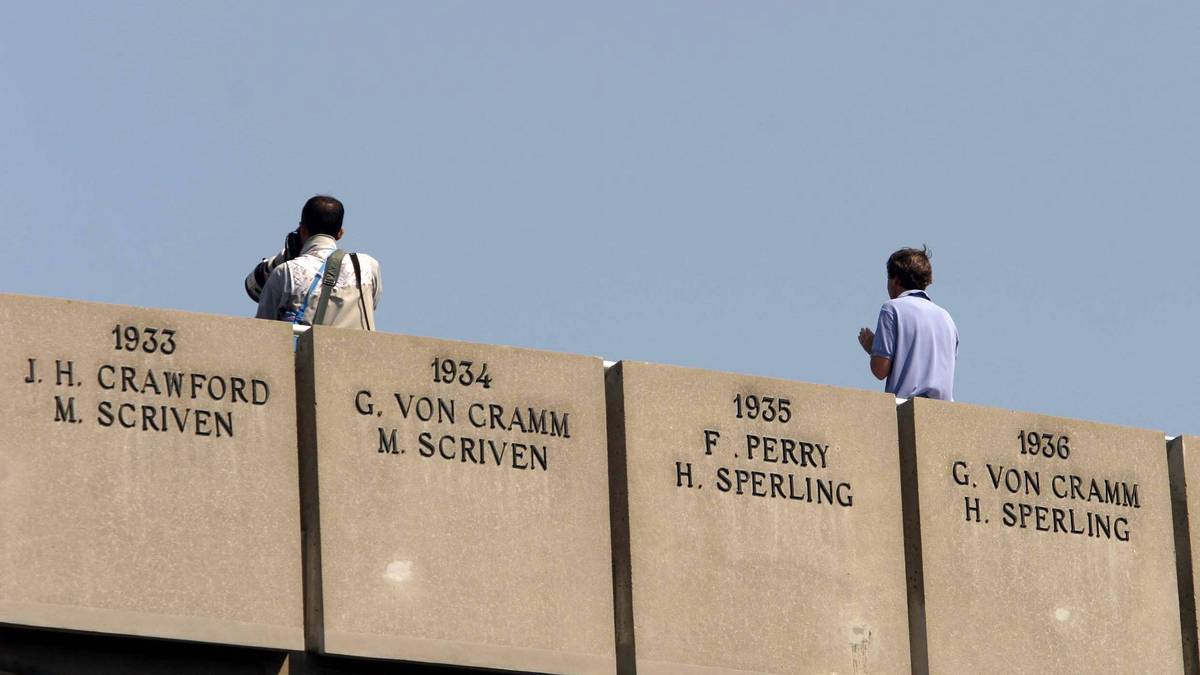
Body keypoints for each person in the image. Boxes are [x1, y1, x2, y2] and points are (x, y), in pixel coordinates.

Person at [246, 195, 381, 329]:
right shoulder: (367, 266)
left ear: (302, 230)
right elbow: (370, 306)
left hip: (308, 350)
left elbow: (262, 330)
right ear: (340, 233)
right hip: (360, 349)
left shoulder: (286, 272)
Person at [857, 246, 957, 400]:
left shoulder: (892, 308)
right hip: (943, 415)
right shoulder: (947, 318)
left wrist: (873, 347)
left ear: (895, 280)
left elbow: (880, 370)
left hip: (906, 411)